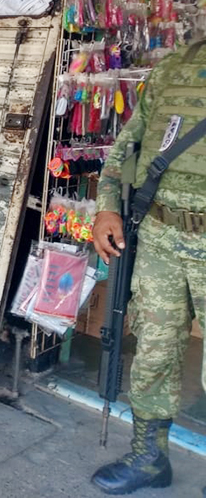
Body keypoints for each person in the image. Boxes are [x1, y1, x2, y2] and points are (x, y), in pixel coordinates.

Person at [90, 43, 206, 496]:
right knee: (155, 351)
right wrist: (106, 207)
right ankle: (149, 457)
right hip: (159, 238)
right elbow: (129, 143)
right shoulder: (174, 66)